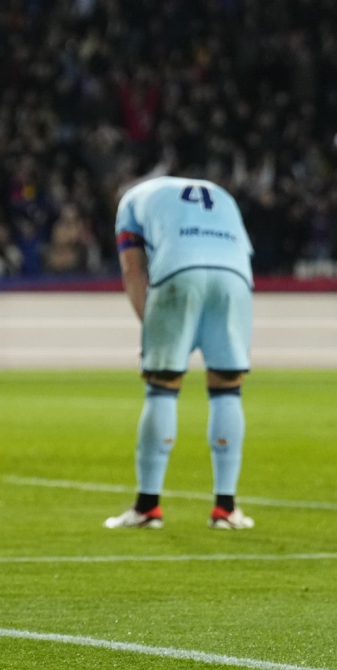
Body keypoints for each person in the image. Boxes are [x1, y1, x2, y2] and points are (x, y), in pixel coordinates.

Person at [104, 176, 255, 531]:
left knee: (162, 386)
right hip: (235, 277)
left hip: (178, 269)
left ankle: (147, 508)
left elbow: (133, 269)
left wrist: (152, 329)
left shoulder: (130, 202)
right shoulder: (220, 193)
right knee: (227, 387)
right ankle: (226, 509)